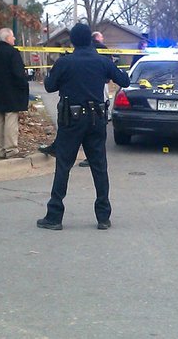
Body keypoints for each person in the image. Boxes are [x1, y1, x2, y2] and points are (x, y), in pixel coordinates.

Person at [37, 23, 130, 231]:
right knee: (99, 167)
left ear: (73, 41)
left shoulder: (65, 62)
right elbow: (124, 80)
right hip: (96, 120)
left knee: (63, 166)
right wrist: (112, 66)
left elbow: (50, 86)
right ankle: (103, 217)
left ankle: (54, 216)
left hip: (71, 121)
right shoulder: (102, 61)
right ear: (90, 39)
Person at [0, 27, 30, 159]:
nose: (14, 38)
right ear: (7, 38)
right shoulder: (12, 53)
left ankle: (0, 150)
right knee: (11, 120)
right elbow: (18, 74)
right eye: (12, 36)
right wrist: (24, 85)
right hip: (12, 92)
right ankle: (11, 149)